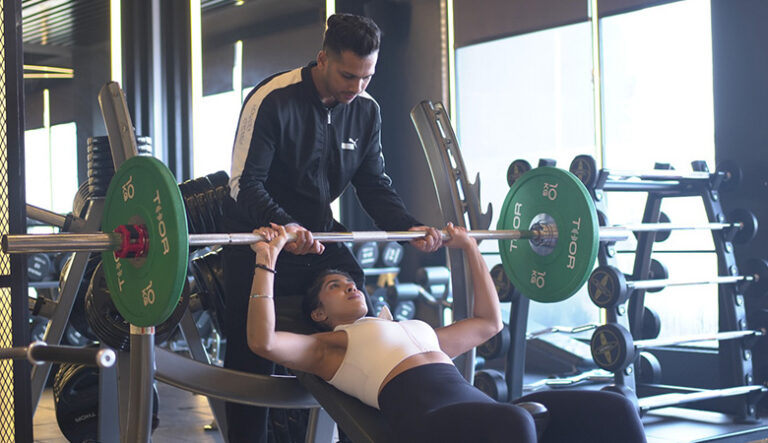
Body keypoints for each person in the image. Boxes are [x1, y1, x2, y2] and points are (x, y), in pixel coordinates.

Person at [223, 12, 442, 441]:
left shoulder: (365, 110)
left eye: (367, 77)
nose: (357, 87)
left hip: (321, 237)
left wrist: (410, 228)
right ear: (322, 58)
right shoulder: (273, 97)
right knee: (250, 359)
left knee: (360, 324)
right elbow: (243, 185)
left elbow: (374, 184)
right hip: (260, 239)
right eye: (348, 75)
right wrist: (286, 228)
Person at [246, 223, 648, 443]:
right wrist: (267, 260)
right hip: (428, 424)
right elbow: (263, 341)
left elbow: (489, 322)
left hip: (484, 415)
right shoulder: (330, 346)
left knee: (617, 404)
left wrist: (470, 248)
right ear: (319, 313)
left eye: (351, 282)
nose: (351, 285)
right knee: (515, 423)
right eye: (335, 286)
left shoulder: (411, 330)